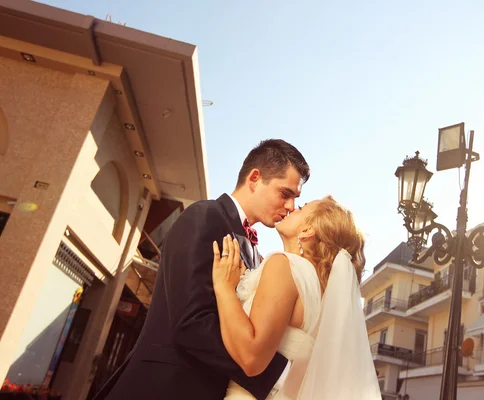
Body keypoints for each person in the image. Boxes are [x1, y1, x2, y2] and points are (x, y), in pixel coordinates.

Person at [99, 139, 310, 400]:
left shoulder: (258, 256)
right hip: (163, 388)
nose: (290, 207)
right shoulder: (205, 215)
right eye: (285, 194)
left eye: (296, 199)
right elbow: (191, 321)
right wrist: (273, 373)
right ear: (255, 178)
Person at [212, 196, 381, 399]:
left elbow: (251, 359)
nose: (291, 208)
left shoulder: (283, 265)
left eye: (301, 208)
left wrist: (224, 288)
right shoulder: (324, 294)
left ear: (308, 230)